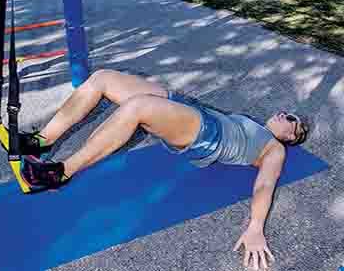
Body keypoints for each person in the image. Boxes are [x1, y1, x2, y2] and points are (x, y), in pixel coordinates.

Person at [18, 69, 309, 271]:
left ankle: (61, 172)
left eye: (292, 120)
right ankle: (41, 141)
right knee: (103, 78)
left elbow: (264, 185)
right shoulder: (256, 125)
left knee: (138, 107)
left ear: (290, 137)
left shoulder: (275, 149)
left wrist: (255, 227)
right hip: (195, 111)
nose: (285, 113)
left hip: (207, 133)